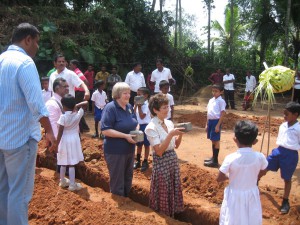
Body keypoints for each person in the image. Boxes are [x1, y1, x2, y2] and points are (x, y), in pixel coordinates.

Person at [0, 23, 56, 225]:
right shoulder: (24, 63)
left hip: (2, 137)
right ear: (28, 40)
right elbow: (36, 103)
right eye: (37, 42)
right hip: (20, 138)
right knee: (20, 194)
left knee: (4, 189)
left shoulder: (2, 60)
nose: (38, 47)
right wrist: (49, 130)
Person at [217, 120, 268, 225]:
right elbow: (264, 170)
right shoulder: (260, 157)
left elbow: (219, 178)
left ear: (235, 139)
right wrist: (254, 176)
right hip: (251, 193)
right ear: (255, 141)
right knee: (251, 219)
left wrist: (230, 177)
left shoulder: (230, 158)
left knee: (232, 219)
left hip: (234, 195)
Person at [145, 93, 185, 217]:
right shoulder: (151, 128)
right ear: (155, 110)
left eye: (168, 107)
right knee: (163, 188)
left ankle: (174, 213)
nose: (168, 109)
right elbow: (159, 151)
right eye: (164, 108)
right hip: (162, 162)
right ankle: (163, 215)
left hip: (172, 160)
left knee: (173, 187)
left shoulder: (169, 123)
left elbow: (176, 146)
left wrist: (180, 134)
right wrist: (171, 135)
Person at [260, 102, 300, 214]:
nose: (284, 116)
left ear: (296, 114)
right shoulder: (283, 125)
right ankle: (254, 183)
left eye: (287, 114)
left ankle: (285, 201)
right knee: (264, 167)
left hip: (290, 154)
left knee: (287, 179)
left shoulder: (298, 128)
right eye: (284, 114)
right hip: (278, 151)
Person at [101, 82, 138, 197]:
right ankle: (119, 207)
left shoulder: (129, 107)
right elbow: (105, 130)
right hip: (115, 151)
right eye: (125, 93)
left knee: (128, 177)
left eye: (129, 93)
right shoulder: (110, 108)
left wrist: (137, 130)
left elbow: (135, 122)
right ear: (117, 95)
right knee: (117, 179)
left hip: (129, 150)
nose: (128, 96)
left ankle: (126, 200)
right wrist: (126, 136)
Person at [56, 94, 88, 191]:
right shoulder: (78, 115)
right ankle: (72, 184)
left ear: (63, 106)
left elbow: (60, 131)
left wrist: (56, 144)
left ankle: (62, 181)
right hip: (74, 139)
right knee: (72, 163)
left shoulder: (63, 117)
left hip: (64, 139)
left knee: (63, 162)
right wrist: (76, 105)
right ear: (73, 105)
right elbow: (86, 103)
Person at [204, 84, 226, 168]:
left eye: (216, 91)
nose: (214, 93)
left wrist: (218, 125)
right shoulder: (211, 100)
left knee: (216, 140)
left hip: (216, 121)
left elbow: (222, 113)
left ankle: (215, 161)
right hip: (210, 121)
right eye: (213, 91)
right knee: (212, 139)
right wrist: (207, 123)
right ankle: (213, 157)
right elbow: (208, 112)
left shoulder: (221, 101)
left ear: (221, 92)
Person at [133, 87, 151, 172]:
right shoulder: (138, 103)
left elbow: (142, 116)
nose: (138, 96)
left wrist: (139, 107)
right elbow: (133, 114)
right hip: (138, 126)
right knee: (139, 144)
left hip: (146, 126)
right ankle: (137, 161)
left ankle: (145, 161)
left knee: (146, 145)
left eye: (140, 94)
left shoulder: (147, 105)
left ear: (146, 96)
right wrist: (136, 105)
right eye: (137, 94)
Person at [69, 59, 90, 133]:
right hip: (78, 92)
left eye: (70, 65)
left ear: (75, 65)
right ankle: (83, 127)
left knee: (77, 108)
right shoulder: (74, 72)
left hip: (79, 93)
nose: (69, 66)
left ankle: (84, 127)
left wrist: (85, 91)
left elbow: (86, 81)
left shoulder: (77, 72)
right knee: (77, 109)